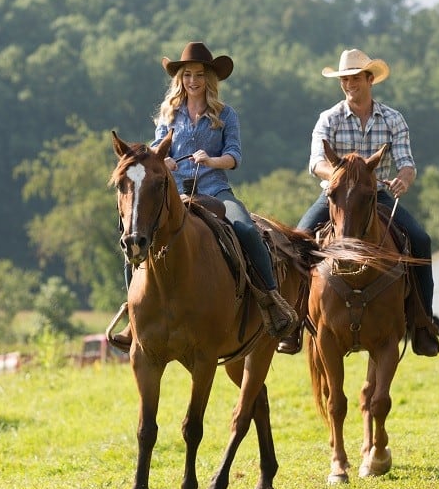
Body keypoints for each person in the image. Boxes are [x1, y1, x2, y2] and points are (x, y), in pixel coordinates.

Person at [110, 42, 299, 353]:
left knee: (246, 229)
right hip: (176, 193)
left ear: (209, 79)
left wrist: (212, 161)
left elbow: (235, 156)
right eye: (187, 75)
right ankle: (134, 313)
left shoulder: (226, 114)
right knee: (136, 235)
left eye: (199, 75)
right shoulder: (168, 113)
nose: (193, 81)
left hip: (215, 189)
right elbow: (159, 152)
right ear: (180, 79)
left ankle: (271, 301)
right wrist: (165, 162)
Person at [296, 48, 439, 357]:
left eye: (354, 78)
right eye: (344, 79)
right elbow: (316, 163)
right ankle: (293, 322)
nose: (348, 84)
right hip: (336, 196)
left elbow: (406, 163)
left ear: (369, 79)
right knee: (298, 240)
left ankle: (422, 322)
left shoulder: (393, 119)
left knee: (420, 240)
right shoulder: (329, 118)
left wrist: (404, 179)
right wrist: (341, 176)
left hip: (379, 195)